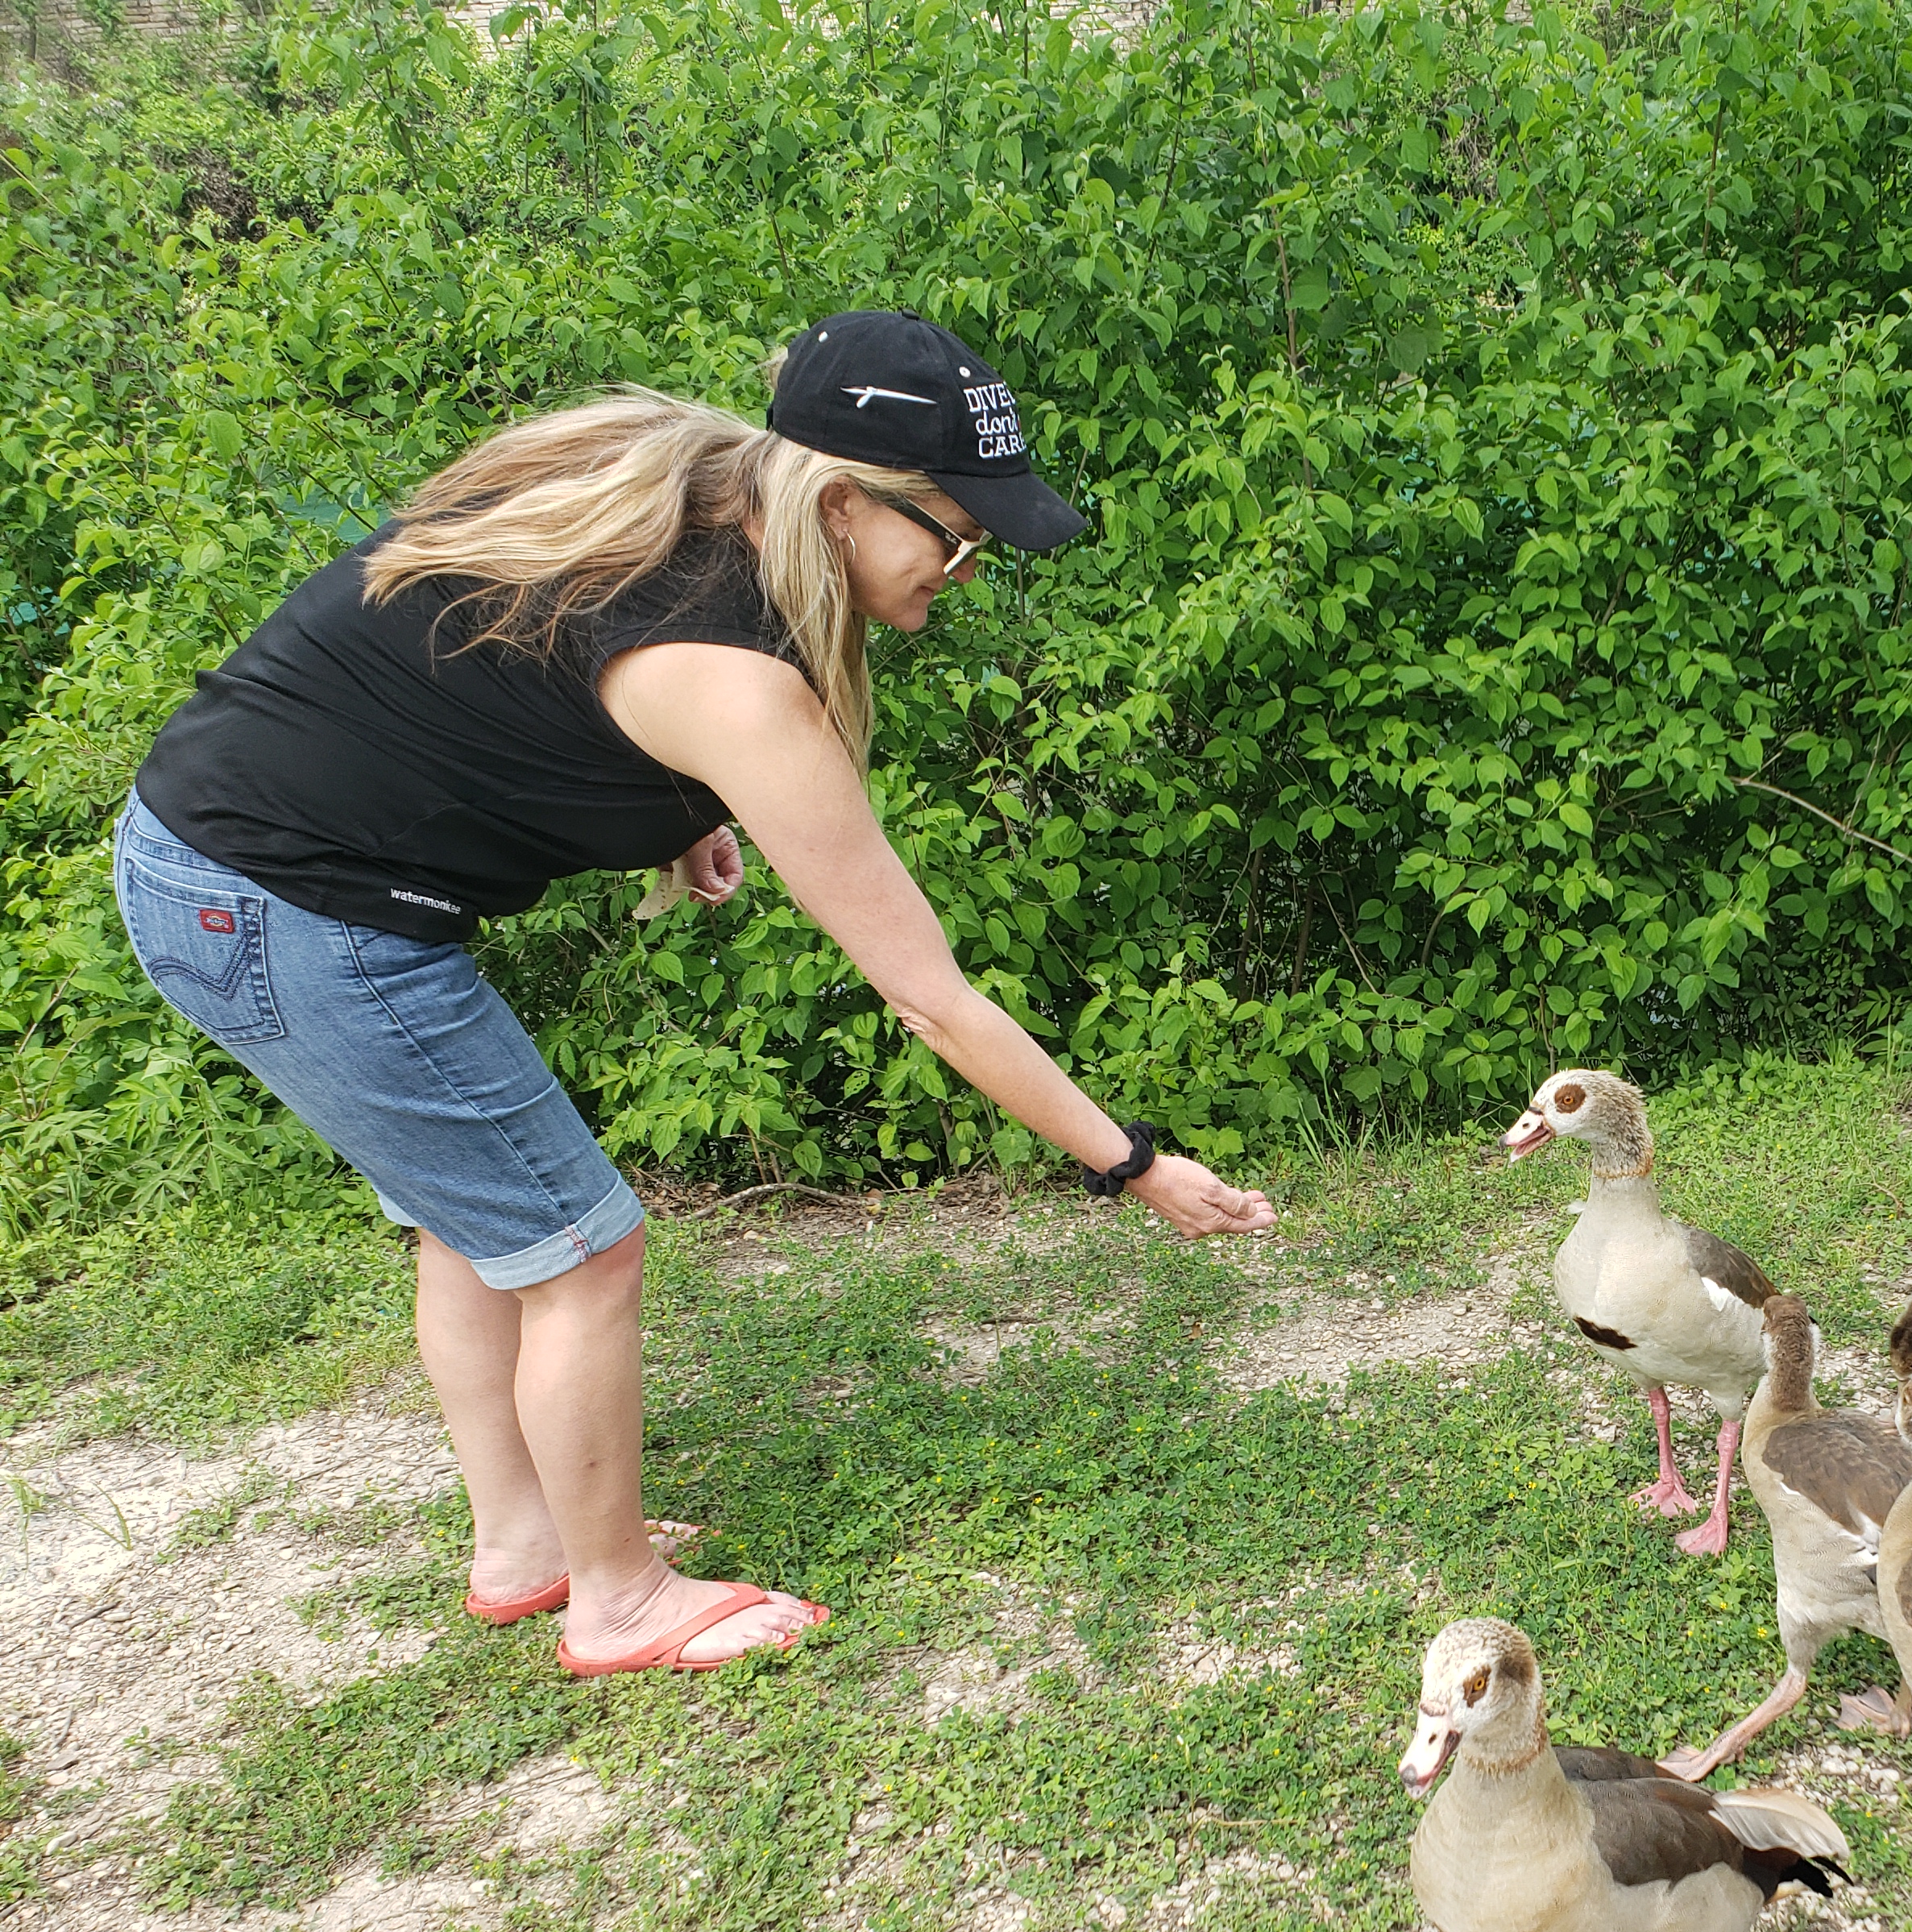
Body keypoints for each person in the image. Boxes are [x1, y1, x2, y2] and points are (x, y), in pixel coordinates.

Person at [114, 310, 1275, 1677]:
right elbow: (932, 999)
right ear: (840, 501)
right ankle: (618, 1600)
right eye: (951, 536)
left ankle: (526, 1544)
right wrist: (1130, 1162)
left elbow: (510, 670)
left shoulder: (689, 487)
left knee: (472, 1224)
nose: (964, 569)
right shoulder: (730, 676)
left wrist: (660, 807)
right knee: (581, 1251)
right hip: (292, 903)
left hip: (214, 866)